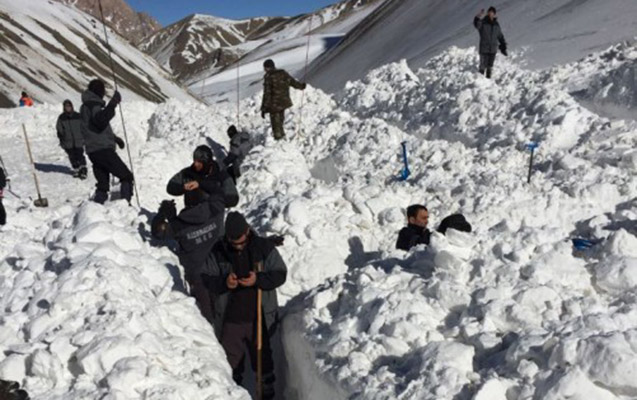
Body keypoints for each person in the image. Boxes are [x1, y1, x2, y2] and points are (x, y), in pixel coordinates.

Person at [203, 212, 287, 400]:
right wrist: (225, 282)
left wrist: (258, 279)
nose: (238, 246)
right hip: (231, 318)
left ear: (247, 231)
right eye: (234, 243)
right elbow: (206, 277)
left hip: (259, 316)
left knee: (263, 360)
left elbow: (280, 273)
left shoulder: (263, 248)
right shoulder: (219, 250)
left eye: (241, 241)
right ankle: (232, 394)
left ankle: (266, 395)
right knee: (229, 363)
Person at [151, 188, 227, 325]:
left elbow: (157, 231)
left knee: (207, 319)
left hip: (197, 278)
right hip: (221, 271)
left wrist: (164, 213)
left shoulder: (180, 225)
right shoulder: (217, 213)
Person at [80, 79, 134, 204]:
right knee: (126, 176)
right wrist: (113, 103)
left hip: (93, 151)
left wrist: (114, 138)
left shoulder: (85, 106)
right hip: (102, 149)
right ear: (98, 91)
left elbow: (93, 128)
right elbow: (100, 121)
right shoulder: (93, 105)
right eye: (102, 90)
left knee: (103, 184)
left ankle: (97, 209)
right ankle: (125, 206)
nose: (103, 93)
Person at [167, 145, 239, 209]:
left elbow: (233, 199)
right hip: (190, 217)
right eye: (195, 161)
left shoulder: (221, 175)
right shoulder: (188, 172)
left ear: (207, 162)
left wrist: (201, 184)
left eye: (199, 162)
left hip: (212, 220)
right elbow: (170, 187)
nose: (195, 164)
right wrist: (183, 187)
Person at [260, 59, 307, 140]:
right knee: (280, 121)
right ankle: (282, 138)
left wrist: (264, 108)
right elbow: (293, 82)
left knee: (276, 124)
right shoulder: (283, 73)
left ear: (268, 68)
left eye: (264, 68)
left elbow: (267, 94)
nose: (264, 70)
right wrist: (301, 86)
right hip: (284, 102)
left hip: (274, 105)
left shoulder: (269, 77)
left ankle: (279, 140)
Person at [56, 100, 87, 179]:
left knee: (80, 155)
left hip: (78, 140)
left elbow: (83, 126)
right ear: (64, 108)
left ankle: (83, 169)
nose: (68, 108)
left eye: (69, 106)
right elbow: (59, 129)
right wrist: (62, 138)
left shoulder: (78, 116)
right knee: (72, 156)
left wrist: (84, 136)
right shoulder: (61, 118)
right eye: (66, 107)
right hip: (68, 141)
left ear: (72, 106)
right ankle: (76, 168)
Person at [473, 6, 507, 79]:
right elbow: (476, 24)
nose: (490, 14)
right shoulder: (483, 23)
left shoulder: (496, 25)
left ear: (494, 14)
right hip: (484, 49)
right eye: (489, 12)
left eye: (492, 13)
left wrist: (503, 46)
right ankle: (479, 83)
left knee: (490, 67)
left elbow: (500, 36)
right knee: (482, 66)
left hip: (493, 50)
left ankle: (488, 82)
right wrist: (478, 16)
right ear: (487, 13)